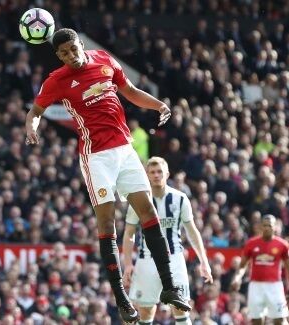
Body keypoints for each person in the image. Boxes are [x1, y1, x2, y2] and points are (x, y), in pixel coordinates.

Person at [25, 28, 190, 323]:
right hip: (96, 158)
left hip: (125, 151)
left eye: (73, 49)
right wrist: (32, 127)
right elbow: (35, 110)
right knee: (107, 223)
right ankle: (122, 299)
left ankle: (170, 287)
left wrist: (158, 104)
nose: (70, 56)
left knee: (148, 212)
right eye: (63, 53)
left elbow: (129, 91)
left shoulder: (104, 60)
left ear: (80, 44)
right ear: (59, 56)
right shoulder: (57, 80)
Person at [122, 157, 213, 325]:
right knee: (145, 310)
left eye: (160, 172)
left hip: (174, 258)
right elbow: (129, 233)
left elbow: (192, 230)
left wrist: (204, 261)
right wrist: (128, 263)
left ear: (167, 174)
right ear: (147, 175)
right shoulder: (139, 200)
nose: (156, 175)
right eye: (152, 172)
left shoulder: (179, 198)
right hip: (147, 259)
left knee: (180, 306)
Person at [231, 214, 289, 325]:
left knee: (280, 319)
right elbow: (242, 266)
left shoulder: (283, 245)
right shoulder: (251, 243)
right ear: (261, 226)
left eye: (269, 225)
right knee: (256, 320)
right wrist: (237, 278)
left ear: (275, 227)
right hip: (256, 286)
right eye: (264, 225)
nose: (267, 228)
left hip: (275, 286)